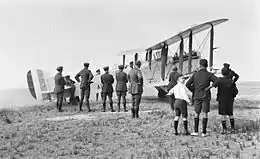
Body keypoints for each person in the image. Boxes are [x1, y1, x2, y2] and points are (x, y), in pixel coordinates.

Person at [186, 59, 219, 137]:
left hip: (197, 95)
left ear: (200, 65)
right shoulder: (209, 74)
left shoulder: (195, 74)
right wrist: (210, 87)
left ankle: (196, 131)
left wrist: (193, 90)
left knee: (196, 113)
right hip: (205, 95)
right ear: (206, 66)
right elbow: (217, 80)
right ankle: (204, 132)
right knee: (205, 113)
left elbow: (187, 84)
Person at [206, 67, 238, 134]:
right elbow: (237, 77)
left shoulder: (219, 80)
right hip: (230, 99)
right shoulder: (231, 81)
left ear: (222, 73)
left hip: (221, 99)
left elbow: (212, 86)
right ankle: (233, 129)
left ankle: (224, 129)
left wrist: (205, 89)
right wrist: (233, 73)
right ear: (228, 73)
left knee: (223, 115)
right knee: (230, 114)